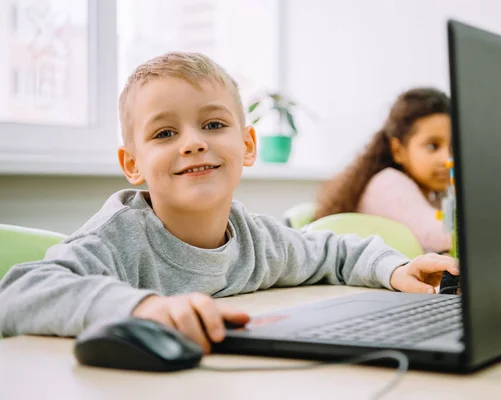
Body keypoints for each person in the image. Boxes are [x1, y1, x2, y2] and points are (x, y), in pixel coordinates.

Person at [0, 53, 458, 352]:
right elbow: (19, 291)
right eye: (165, 133)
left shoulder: (258, 241)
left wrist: (395, 268)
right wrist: (141, 307)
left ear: (248, 145)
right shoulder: (119, 239)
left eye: (214, 125)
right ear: (132, 164)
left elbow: (332, 250)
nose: (194, 143)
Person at [315, 88, 452, 253]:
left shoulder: (433, 193)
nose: (447, 159)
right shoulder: (388, 183)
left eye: (454, 147)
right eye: (432, 146)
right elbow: (440, 235)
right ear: (398, 150)